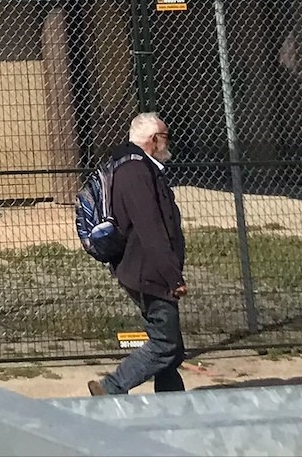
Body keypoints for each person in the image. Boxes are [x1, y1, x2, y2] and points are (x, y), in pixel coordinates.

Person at [90, 112, 185, 396]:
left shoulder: (138, 167)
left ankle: (172, 402)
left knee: (170, 344)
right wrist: (172, 276)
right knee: (165, 345)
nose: (168, 144)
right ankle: (112, 386)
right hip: (150, 273)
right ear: (154, 140)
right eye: (165, 137)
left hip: (145, 269)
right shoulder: (136, 172)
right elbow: (150, 228)